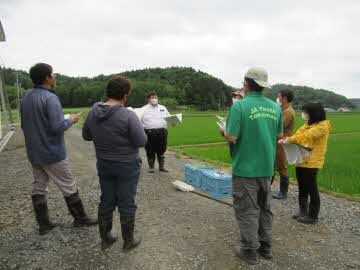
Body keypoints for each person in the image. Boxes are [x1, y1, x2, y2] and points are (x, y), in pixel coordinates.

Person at [21, 63, 97, 236]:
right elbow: (57, 127)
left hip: (34, 152)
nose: (55, 78)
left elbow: (25, 126)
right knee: (68, 185)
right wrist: (72, 119)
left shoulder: (26, 97)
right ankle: (80, 218)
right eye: (53, 75)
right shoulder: (50, 98)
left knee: (39, 187)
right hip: (53, 153)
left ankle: (44, 224)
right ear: (48, 78)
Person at [224, 67, 283, 265]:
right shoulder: (275, 108)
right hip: (266, 167)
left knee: (247, 210)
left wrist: (224, 131)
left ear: (245, 84)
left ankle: (249, 251)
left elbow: (232, 137)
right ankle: (266, 248)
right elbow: (279, 136)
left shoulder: (239, 106)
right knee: (265, 208)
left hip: (245, 169)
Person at [82, 76, 147, 251]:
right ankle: (128, 241)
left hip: (104, 163)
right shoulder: (128, 115)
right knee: (126, 202)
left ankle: (106, 239)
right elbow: (141, 141)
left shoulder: (93, 112)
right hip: (127, 166)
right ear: (125, 95)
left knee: (106, 199)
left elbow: (86, 136)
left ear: (108, 92)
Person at [279, 103, 331, 224]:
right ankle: (303, 211)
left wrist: (289, 139)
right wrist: (286, 140)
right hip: (301, 160)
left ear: (313, 114)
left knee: (312, 188)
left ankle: (313, 216)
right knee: (302, 187)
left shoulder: (323, 126)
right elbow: (298, 135)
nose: (304, 114)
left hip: (312, 162)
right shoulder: (307, 125)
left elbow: (307, 136)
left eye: (306, 112)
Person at [272, 89, 296, 199]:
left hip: (282, 142)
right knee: (272, 165)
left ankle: (283, 192)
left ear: (285, 98)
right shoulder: (283, 109)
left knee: (281, 166)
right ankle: (265, 188)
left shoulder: (288, 112)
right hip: (278, 142)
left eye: (279, 96)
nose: (278, 98)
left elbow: (279, 126)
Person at [141, 92, 171, 173]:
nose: (154, 99)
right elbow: (139, 121)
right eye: (152, 97)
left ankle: (161, 167)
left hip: (162, 132)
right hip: (149, 132)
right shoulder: (143, 109)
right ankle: (151, 167)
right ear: (148, 99)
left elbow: (169, 118)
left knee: (162, 150)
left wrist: (173, 122)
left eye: (156, 97)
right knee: (150, 150)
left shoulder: (163, 108)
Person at [220, 89, 245, 157]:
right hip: (233, 140)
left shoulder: (240, 109)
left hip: (237, 140)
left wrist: (223, 130)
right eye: (234, 96)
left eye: (237, 96)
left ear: (242, 97)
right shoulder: (233, 108)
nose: (234, 98)